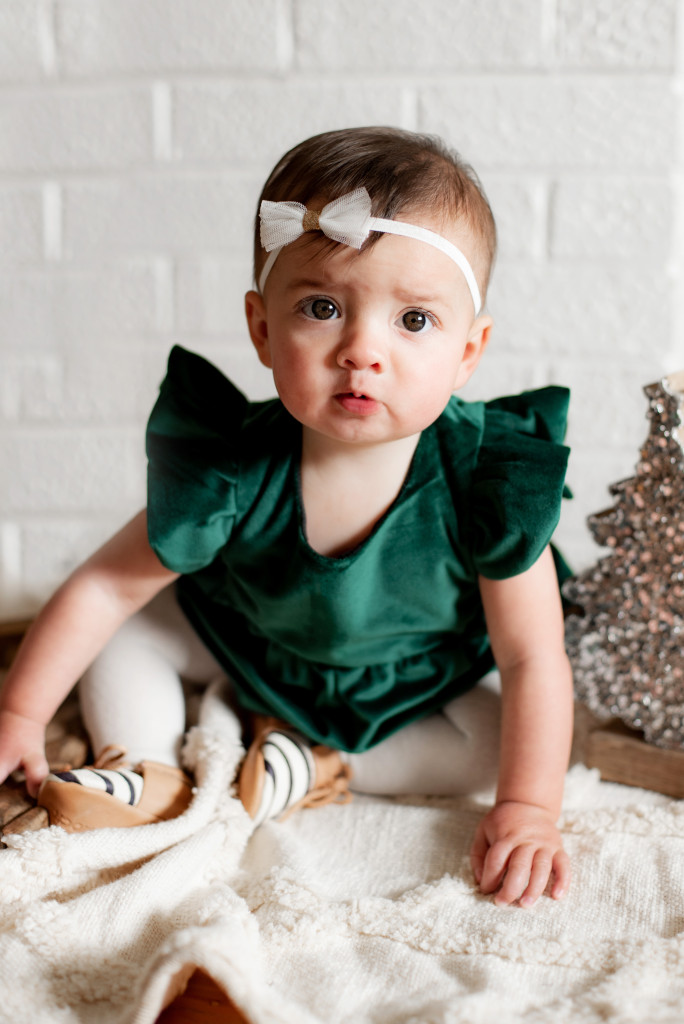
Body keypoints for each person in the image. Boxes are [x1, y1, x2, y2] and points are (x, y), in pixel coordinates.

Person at [0, 127, 574, 908]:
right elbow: (105, 587)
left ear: (468, 352)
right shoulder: (234, 461)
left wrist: (529, 810)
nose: (362, 350)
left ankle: (327, 764)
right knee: (128, 636)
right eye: (323, 306)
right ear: (263, 329)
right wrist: (19, 710)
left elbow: (534, 656)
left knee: (503, 746)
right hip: (250, 643)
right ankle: (143, 767)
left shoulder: (484, 480)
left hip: (403, 682)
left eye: (413, 321)